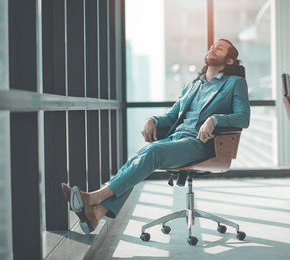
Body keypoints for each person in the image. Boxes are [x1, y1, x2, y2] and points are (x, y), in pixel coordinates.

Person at [61, 39, 250, 234]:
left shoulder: (235, 83)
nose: (212, 48)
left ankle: (94, 198)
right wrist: (152, 120)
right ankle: (97, 214)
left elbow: (243, 118)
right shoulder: (193, 85)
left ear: (229, 61)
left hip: (202, 144)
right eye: (212, 46)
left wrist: (215, 120)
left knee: (152, 151)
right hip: (176, 139)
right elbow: (171, 116)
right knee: (138, 156)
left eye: (219, 48)